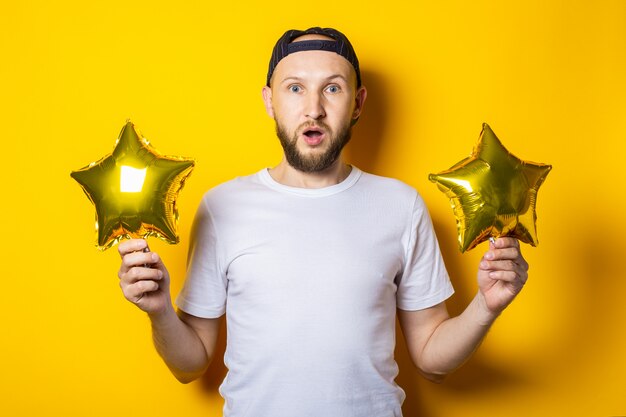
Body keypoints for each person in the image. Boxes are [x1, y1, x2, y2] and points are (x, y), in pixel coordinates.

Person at [117, 27, 529, 417]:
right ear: (269, 100)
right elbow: (190, 365)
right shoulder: (222, 207)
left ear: (358, 102)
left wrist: (487, 305)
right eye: (295, 88)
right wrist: (158, 312)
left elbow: (432, 359)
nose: (313, 109)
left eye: (332, 88)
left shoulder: (401, 206)